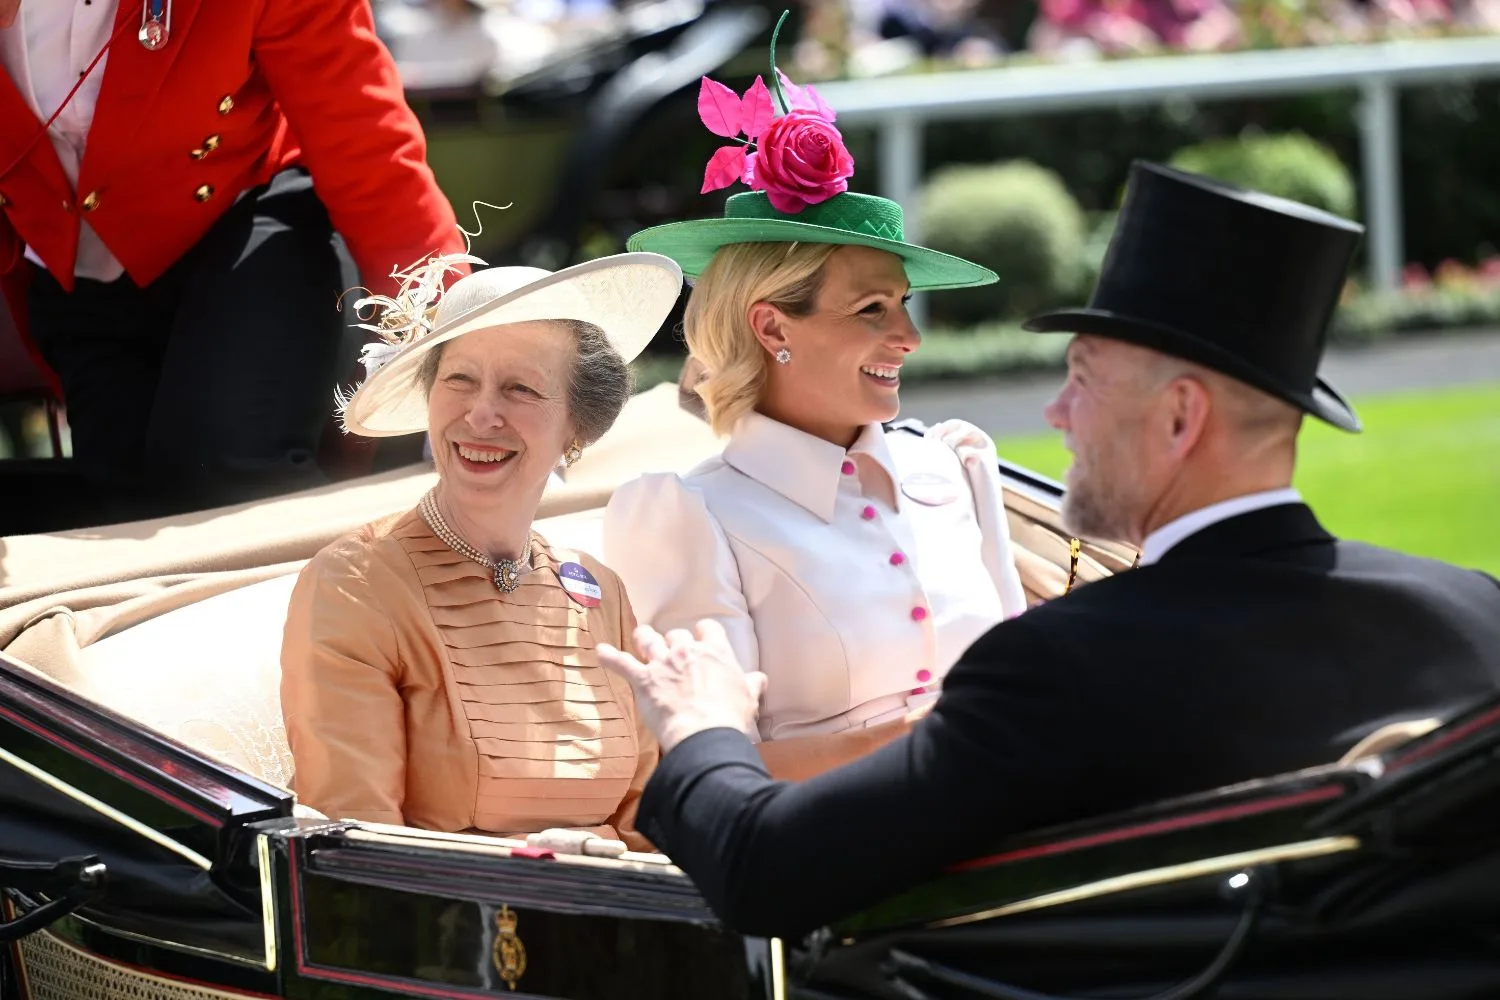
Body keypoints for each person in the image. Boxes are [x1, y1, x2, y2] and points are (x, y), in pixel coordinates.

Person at [594, 160, 1500, 935]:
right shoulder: (1478, 615)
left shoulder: (1069, 662)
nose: (1056, 416)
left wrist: (702, 724)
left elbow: (765, 870)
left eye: (1082, 381)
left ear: (1181, 416)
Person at [602, 55, 1027, 782]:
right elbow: (708, 775)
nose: (909, 338)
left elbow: (1027, 690)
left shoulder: (953, 464)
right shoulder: (685, 515)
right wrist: (924, 740)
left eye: (904, 304)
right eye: (872, 310)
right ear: (772, 329)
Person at [0, 0, 467, 525]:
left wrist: (457, 357)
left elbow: (366, 142)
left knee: (230, 476)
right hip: (74, 271)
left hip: (248, 219)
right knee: (127, 513)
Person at [280, 250, 682, 850]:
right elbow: (355, 842)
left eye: (520, 388)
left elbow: (648, 817)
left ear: (577, 425)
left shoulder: (599, 590)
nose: (481, 413)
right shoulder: (356, 583)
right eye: (459, 379)